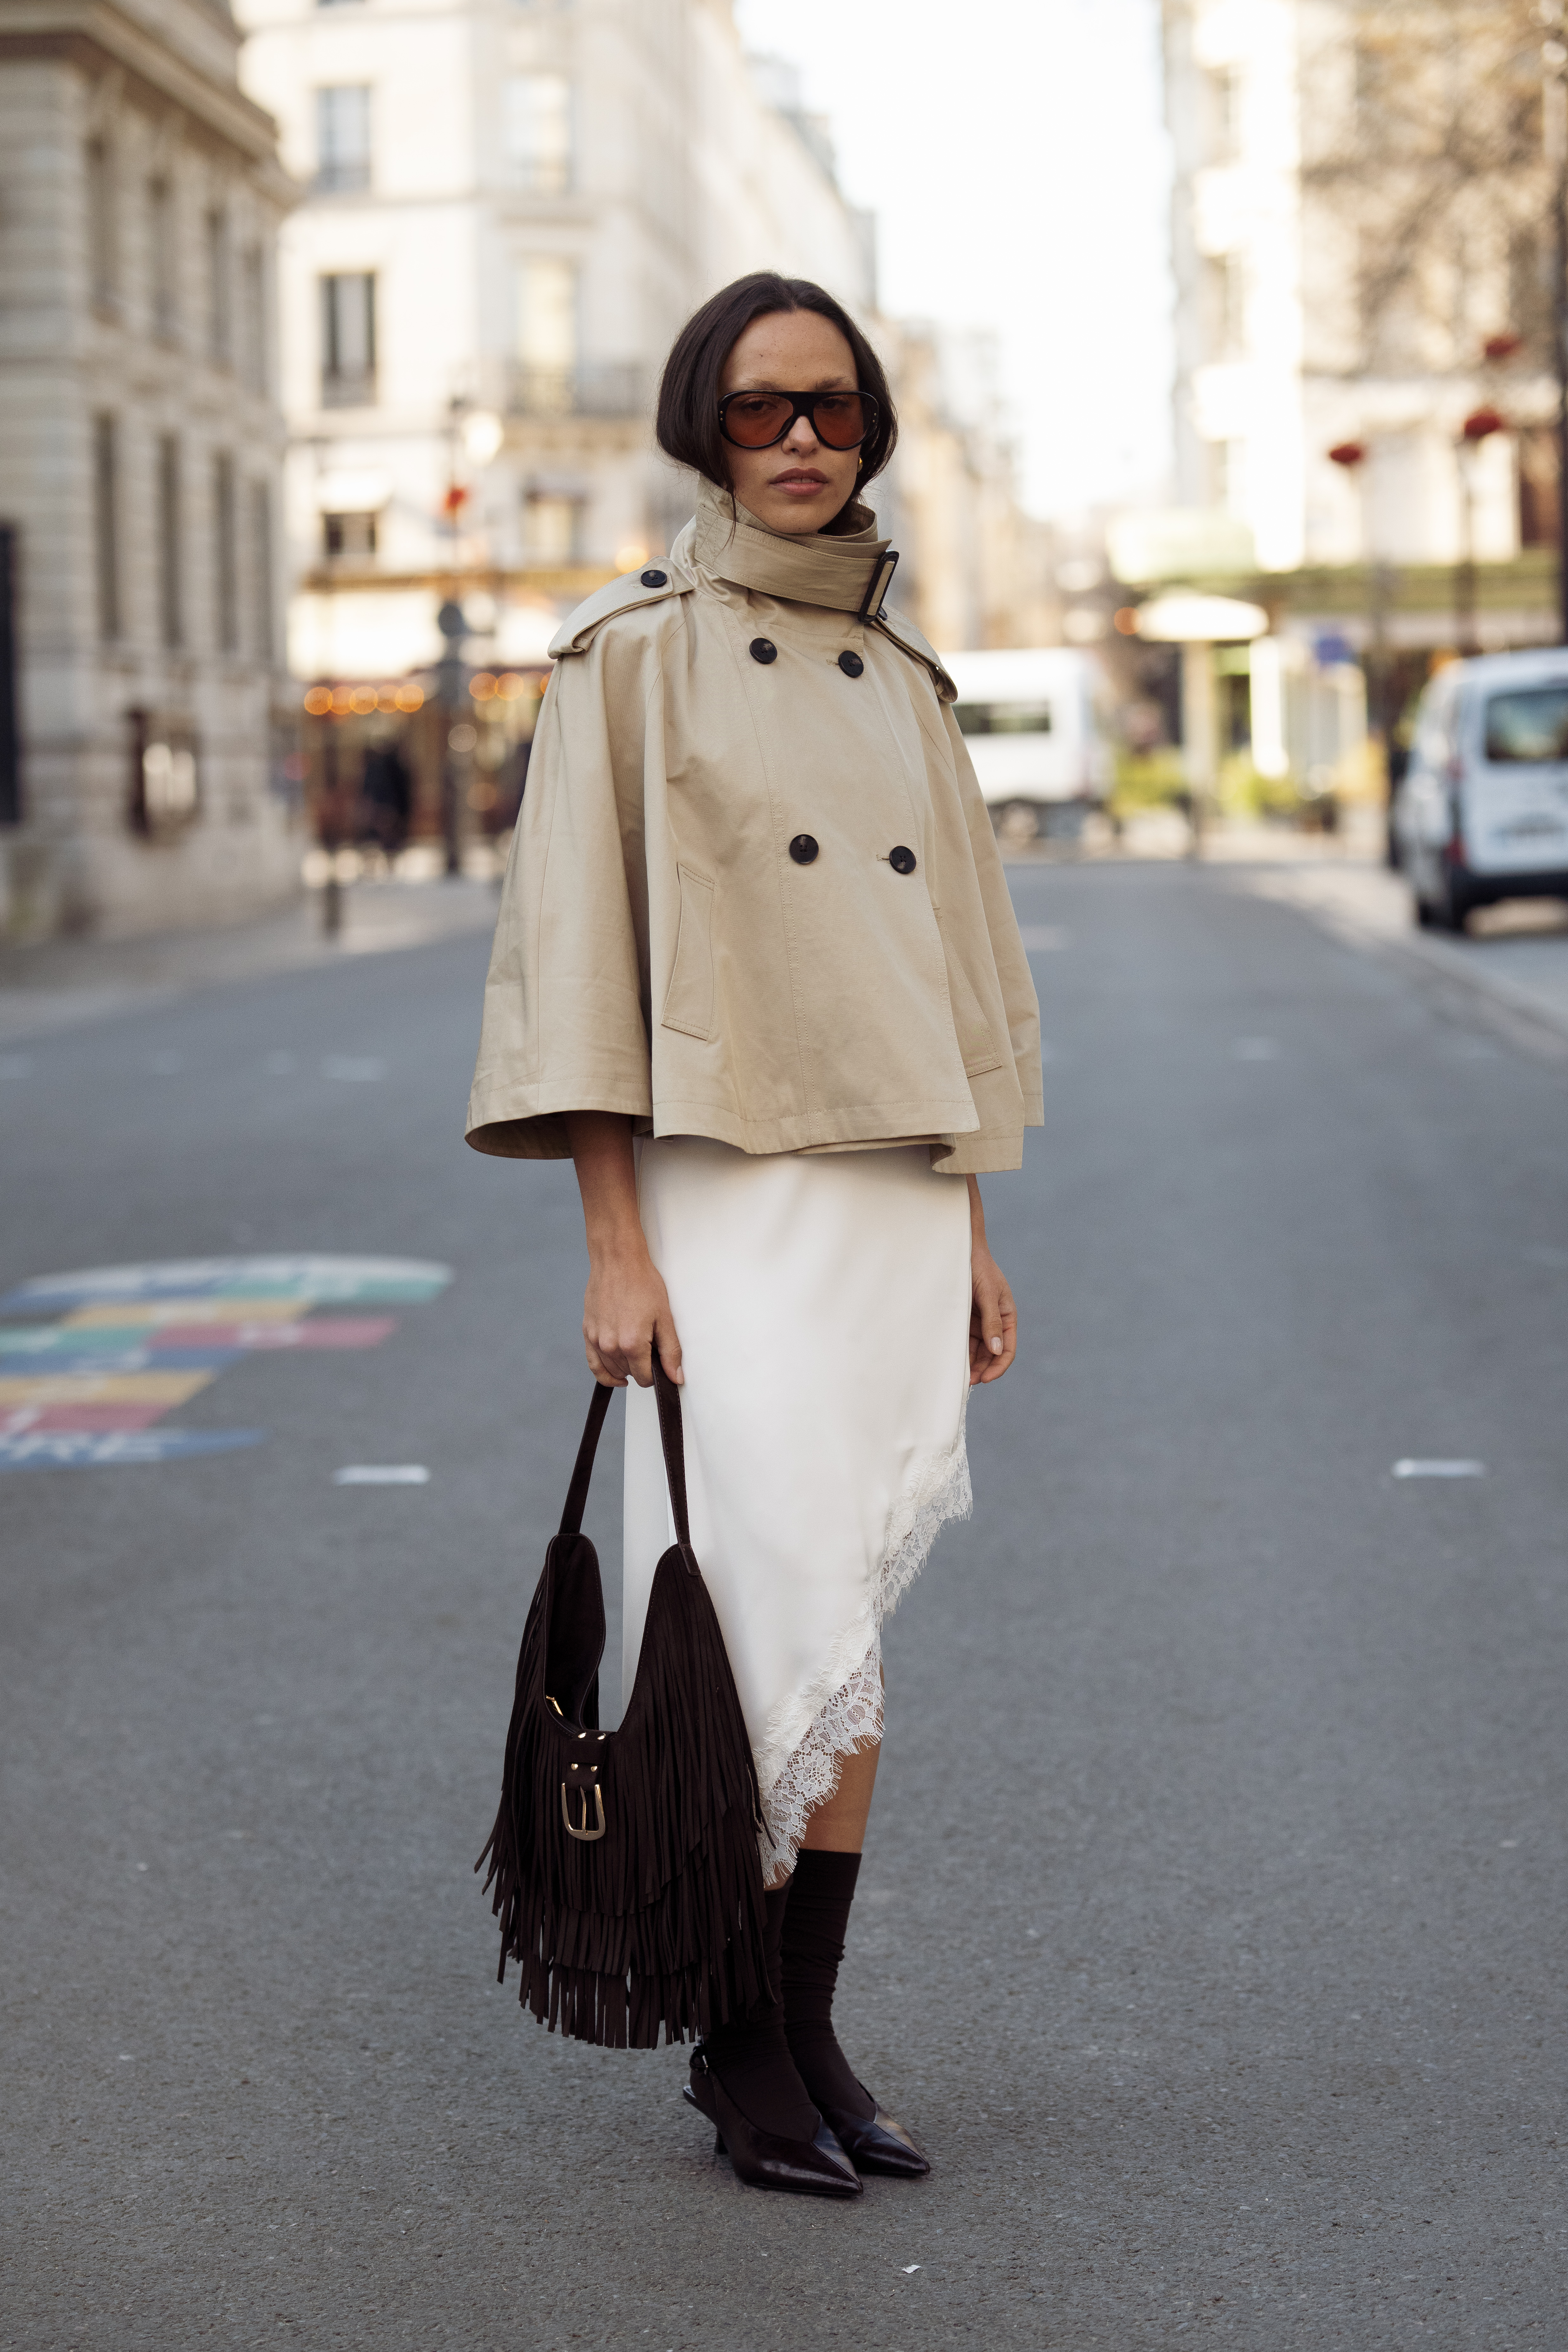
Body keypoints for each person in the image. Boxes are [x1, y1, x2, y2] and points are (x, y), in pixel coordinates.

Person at [466, 272, 1042, 2197]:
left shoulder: (908, 681)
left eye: (835, 409)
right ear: (699, 425)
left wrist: (966, 1221)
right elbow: (578, 978)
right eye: (760, 409)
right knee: (749, 1610)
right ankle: (735, 2045)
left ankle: (805, 2023)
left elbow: (955, 970)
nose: (804, 440)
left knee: (849, 1632)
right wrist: (614, 1247)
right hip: (725, 1195)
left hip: (892, 1196)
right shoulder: (627, 656)